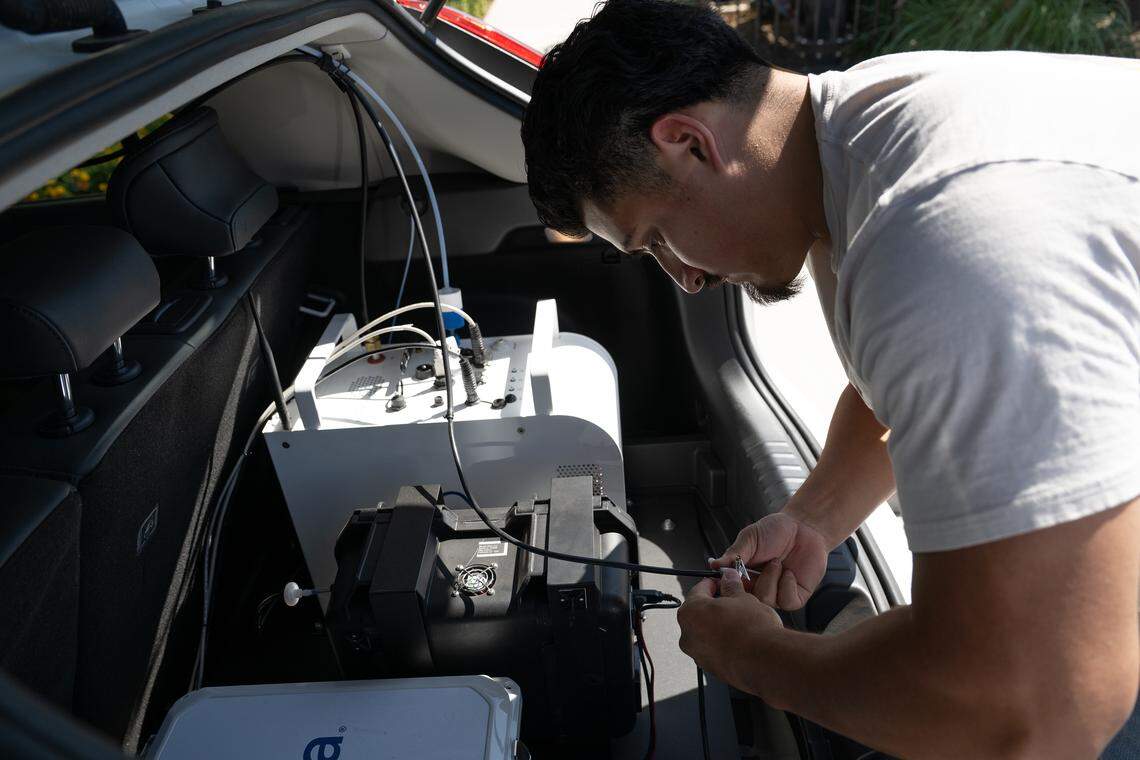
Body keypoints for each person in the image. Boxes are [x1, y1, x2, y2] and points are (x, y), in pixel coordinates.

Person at [520, 0, 1140, 756]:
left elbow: (1030, 707)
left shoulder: (945, 237)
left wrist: (755, 659)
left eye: (655, 240)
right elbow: (903, 394)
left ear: (688, 142)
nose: (682, 281)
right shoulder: (851, 139)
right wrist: (812, 520)